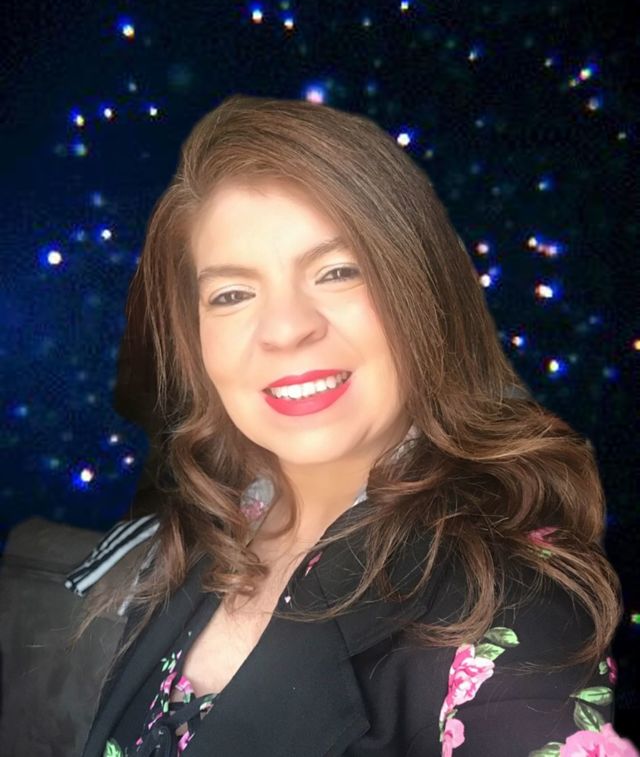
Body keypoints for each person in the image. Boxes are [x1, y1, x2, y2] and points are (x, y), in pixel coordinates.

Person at [76, 94, 636, 756]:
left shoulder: (512, 612)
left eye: (338, 272)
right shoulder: (206, 535)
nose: (286, 328)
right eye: (232, 293)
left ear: (423, 294)